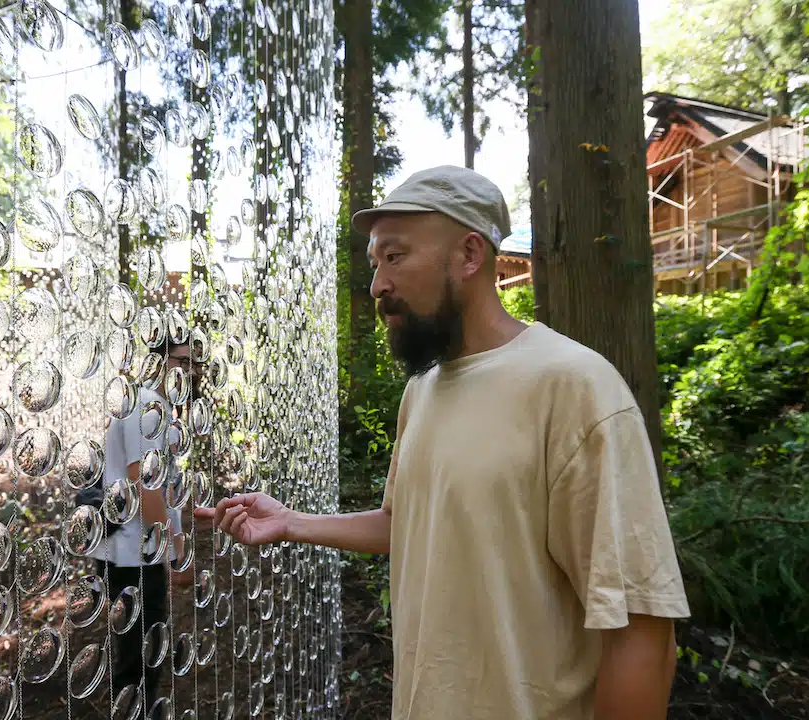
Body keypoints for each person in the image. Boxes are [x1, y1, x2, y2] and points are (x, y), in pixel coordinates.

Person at [196, 165, 691, 720]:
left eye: (396, 256)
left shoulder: (574, 386)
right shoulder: (423, 390)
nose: (378, 285)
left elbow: (641, 626)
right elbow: (408, 521)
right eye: (375, 263)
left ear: (470, 255)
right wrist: (293, 522)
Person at [89, 346, 184, 711]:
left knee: (143, 648)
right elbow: (143, 485)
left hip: (136, 548)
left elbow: (161, 482)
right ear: (159, 359)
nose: (190, 372)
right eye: (183, 361)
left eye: (197, 363)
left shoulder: (156, 405)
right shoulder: (146, 405)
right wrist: (177, 553)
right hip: (131, 553)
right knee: (137, 658)